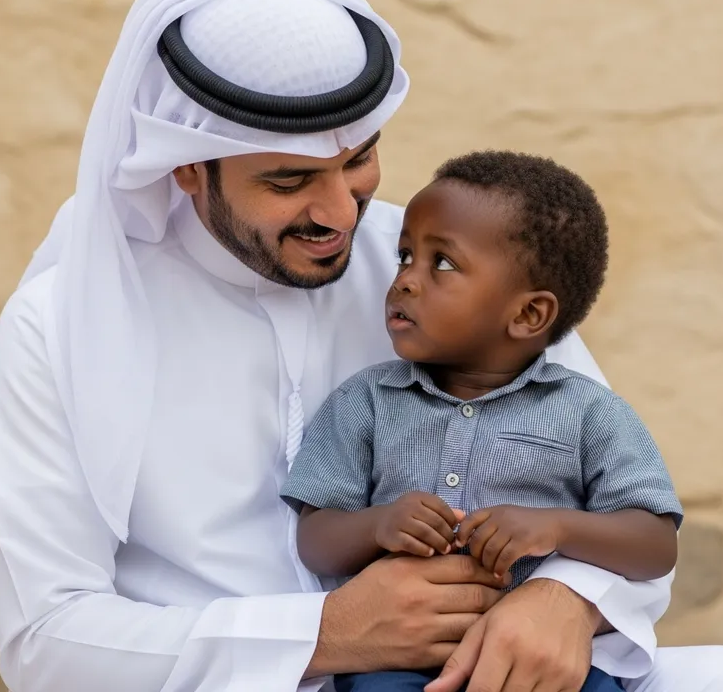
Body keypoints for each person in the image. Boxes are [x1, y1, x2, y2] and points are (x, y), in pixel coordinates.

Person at [0, 0, 723, 692]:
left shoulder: (451, 266)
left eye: (358, 161)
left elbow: (627, 508)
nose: (341, 213)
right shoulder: (61, 326)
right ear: (186, 168)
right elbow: (47, 641)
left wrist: (568, 599)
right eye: (290, 182)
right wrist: (324, 634)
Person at [282, 150, 683, 692]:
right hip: (395, 666)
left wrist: (557, 528)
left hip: (544, 668)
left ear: (528, 314)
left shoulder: (591, 412)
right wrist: (376, 525)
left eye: (442, 264)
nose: (405, 281)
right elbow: (315, 539)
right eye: (405, 257)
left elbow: (655, 545)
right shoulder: (364, 402)